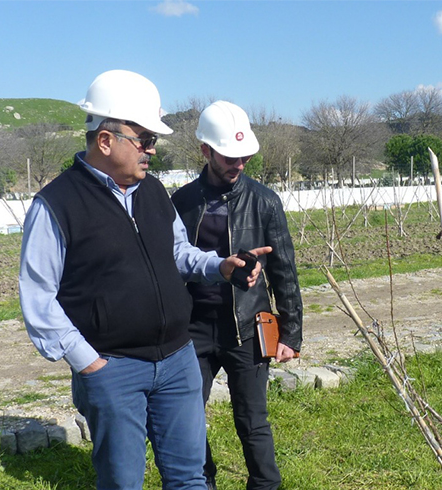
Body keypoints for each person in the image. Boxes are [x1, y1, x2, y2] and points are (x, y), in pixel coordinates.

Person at [19, 70, 268, 490]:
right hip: (113, 368)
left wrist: (219, 266)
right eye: (145, 139)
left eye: (154, 140)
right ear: (105, 140)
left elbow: (176, 253)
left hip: (177, 360)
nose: (152, 150)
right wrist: (90, 364)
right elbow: (38, 298)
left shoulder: (152, 190)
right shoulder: (56, 205)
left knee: (190, 478)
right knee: (123, 484)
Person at [171, 101, 303, 490]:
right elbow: (172, 264)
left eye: (245, 156)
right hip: (193, 330)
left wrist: (291, 334)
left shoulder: (264, 201)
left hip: (247, 328)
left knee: (252, 419)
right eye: (230, 156)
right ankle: (202, 483)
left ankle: (265, 486)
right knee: (188, 417)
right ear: (206, 151)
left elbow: (285, 272)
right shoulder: (181, 202)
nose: (239, 163)